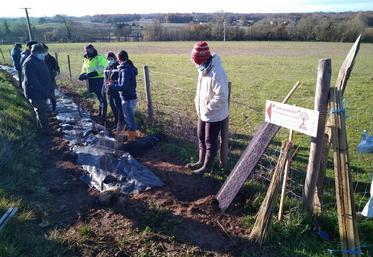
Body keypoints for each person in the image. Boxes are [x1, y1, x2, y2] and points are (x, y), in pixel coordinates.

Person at [186, 41, 229, 174]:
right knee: (200, 137)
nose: (196, 64)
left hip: (214, 114)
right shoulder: (203, 70)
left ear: (203, 59)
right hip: (203, 112)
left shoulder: (217, 72)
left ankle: (207, 166)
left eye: (197, 61)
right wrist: (198, 105)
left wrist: (207, 109)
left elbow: (221, 97)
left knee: (210, 141)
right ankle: (200, 161)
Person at [22, 44, 52, 135]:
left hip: (42, 91)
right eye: (41, 53)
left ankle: (41, 129)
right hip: (35, 92)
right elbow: (33, 82)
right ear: (34, 53)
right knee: (41, 110)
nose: (43, 54)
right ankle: (46, 132)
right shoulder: (29, 63)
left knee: (42, 110)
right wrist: (46, 92)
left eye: (43, 53)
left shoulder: (39, 60)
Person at [79, 44, 108, 123]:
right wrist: (82, 74)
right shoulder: (86, 59)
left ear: (93, 49)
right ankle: (100, 113)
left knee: (102, 98)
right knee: (99, 97)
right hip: (91, 80)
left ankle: (103, 116)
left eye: (89, 50)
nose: (87, 52)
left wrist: (89, 75)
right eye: (86, 50)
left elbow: (102, 69)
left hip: (99, 79)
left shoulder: (99, 58)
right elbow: (84, 68)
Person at [115, 50, 138, 141]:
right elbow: (125, 82)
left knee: (130, 121)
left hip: (127, 98)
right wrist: (115, 82)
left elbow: (124, 86)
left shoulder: (125, 70)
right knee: (130, 119)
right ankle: (131, 137)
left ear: (119, 59)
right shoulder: (128, 68)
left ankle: (132, 140)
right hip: (130, 97)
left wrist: (112, 86)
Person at [104, 52, 124, 131]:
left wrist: (113, 83)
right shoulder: (107, 68)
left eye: (111, 59)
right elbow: (105, 79)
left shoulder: (118, 67)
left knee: (118, 107)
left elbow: (120, 79)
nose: (109, 60)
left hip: (116, 90)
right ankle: (116, 122)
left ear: (115, 59)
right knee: (112, 105)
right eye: (108, 59)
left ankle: (121, 124)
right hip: (109, 91)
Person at [42, 43, 60, 112]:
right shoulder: (38, 59)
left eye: (45, 50)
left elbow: (57, 69)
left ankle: (54, 108)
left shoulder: (52, 59)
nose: (44, 52)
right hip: (41, 81)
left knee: (52, 95)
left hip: (50, 80)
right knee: (44, 96)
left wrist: (54, 73)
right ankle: (46, 109)